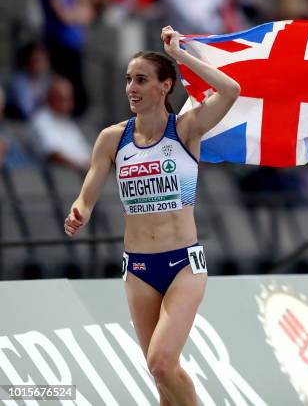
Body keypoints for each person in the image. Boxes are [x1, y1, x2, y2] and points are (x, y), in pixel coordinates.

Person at [64, 26, 240, 406]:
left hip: (183, 265)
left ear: (166, 86)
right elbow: (90, 187)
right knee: (161, 379)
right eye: (129, 79)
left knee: (161, 363)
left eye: (141, 79)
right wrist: (81, 209)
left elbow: (231, 91)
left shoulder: (187, 129)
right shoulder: (112, 138)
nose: (131, 87)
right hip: (138, 268)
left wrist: (181, 55)